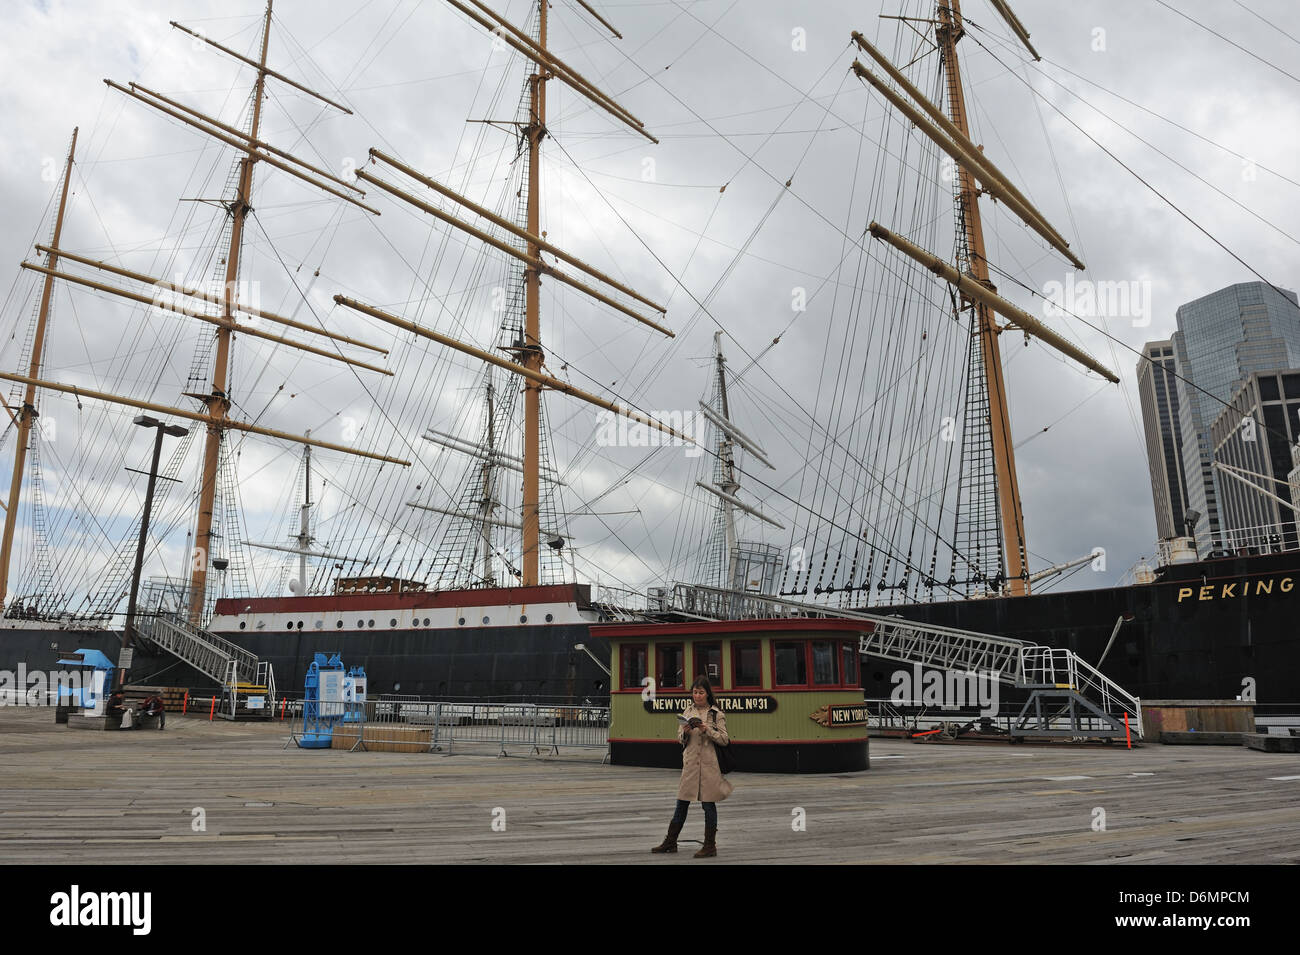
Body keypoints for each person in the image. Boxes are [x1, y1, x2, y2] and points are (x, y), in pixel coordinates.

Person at [651, 675, 732, 858]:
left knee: (708, 805)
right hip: (690, 764)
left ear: (707, 694)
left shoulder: (716, 713)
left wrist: (707, 729)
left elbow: (725, 739)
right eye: (695, 692)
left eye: (701, 692)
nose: (697, 696)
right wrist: (685, 733)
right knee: (681, 803)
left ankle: (710, 845)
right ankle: (671, 841)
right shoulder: (687, 711)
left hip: (709, 765)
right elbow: (680, 739)